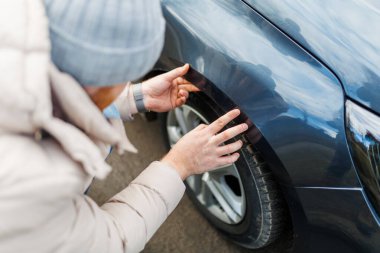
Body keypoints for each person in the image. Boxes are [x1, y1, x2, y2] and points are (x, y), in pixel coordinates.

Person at [0, 1, 247, 253]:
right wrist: (178, 165)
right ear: (101, 83)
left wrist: (135, 97)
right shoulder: (32, 189)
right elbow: (111, 241)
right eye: (124, 77)